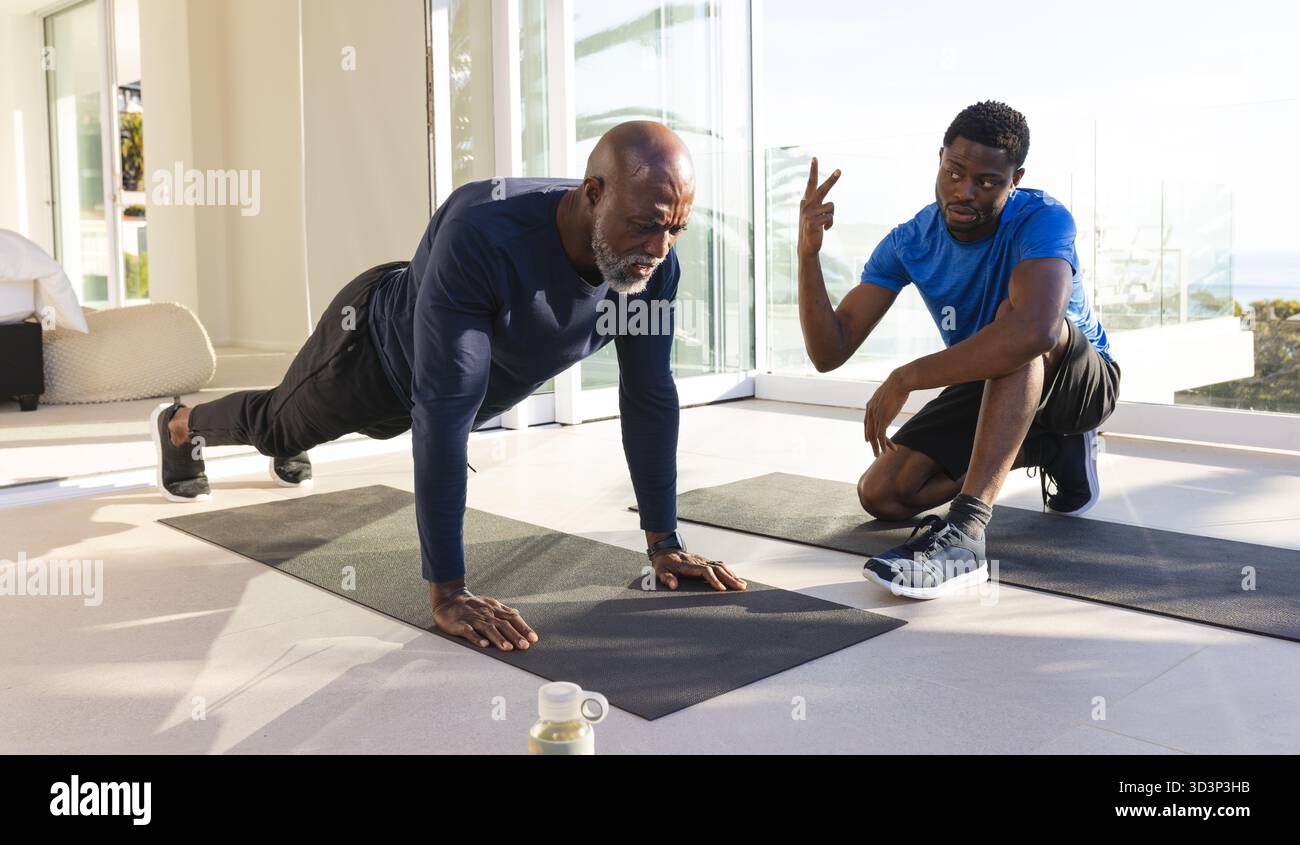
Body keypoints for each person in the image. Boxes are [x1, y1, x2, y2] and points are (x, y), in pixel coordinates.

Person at [150, 120, 747, 647]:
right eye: (644, 226)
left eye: (675, 230)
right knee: (277, 428)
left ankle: (284, 429)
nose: (658, 249)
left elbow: (648, 395)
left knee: (301, 428)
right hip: (373, 358)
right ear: (592, 193)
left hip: (436, 388)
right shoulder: (483, 231)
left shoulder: (655, 268)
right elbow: (443, 410)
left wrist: (664, 541)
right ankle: (181, 425)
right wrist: (448, 591)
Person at [796, 100, 1121, 598]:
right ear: (941, 159)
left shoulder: (1044, 219)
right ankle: (1049, 445)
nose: (964, 191)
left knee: (1012, 327)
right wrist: (807, 254)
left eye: (988, 181)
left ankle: (966, 537)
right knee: (884, 493)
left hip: (1081, 379)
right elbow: (829, 351)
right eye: (954, 172)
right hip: (995, 383)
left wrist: (906, 377)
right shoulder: (910, 241)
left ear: (1015, 180)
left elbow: (1035, 331)